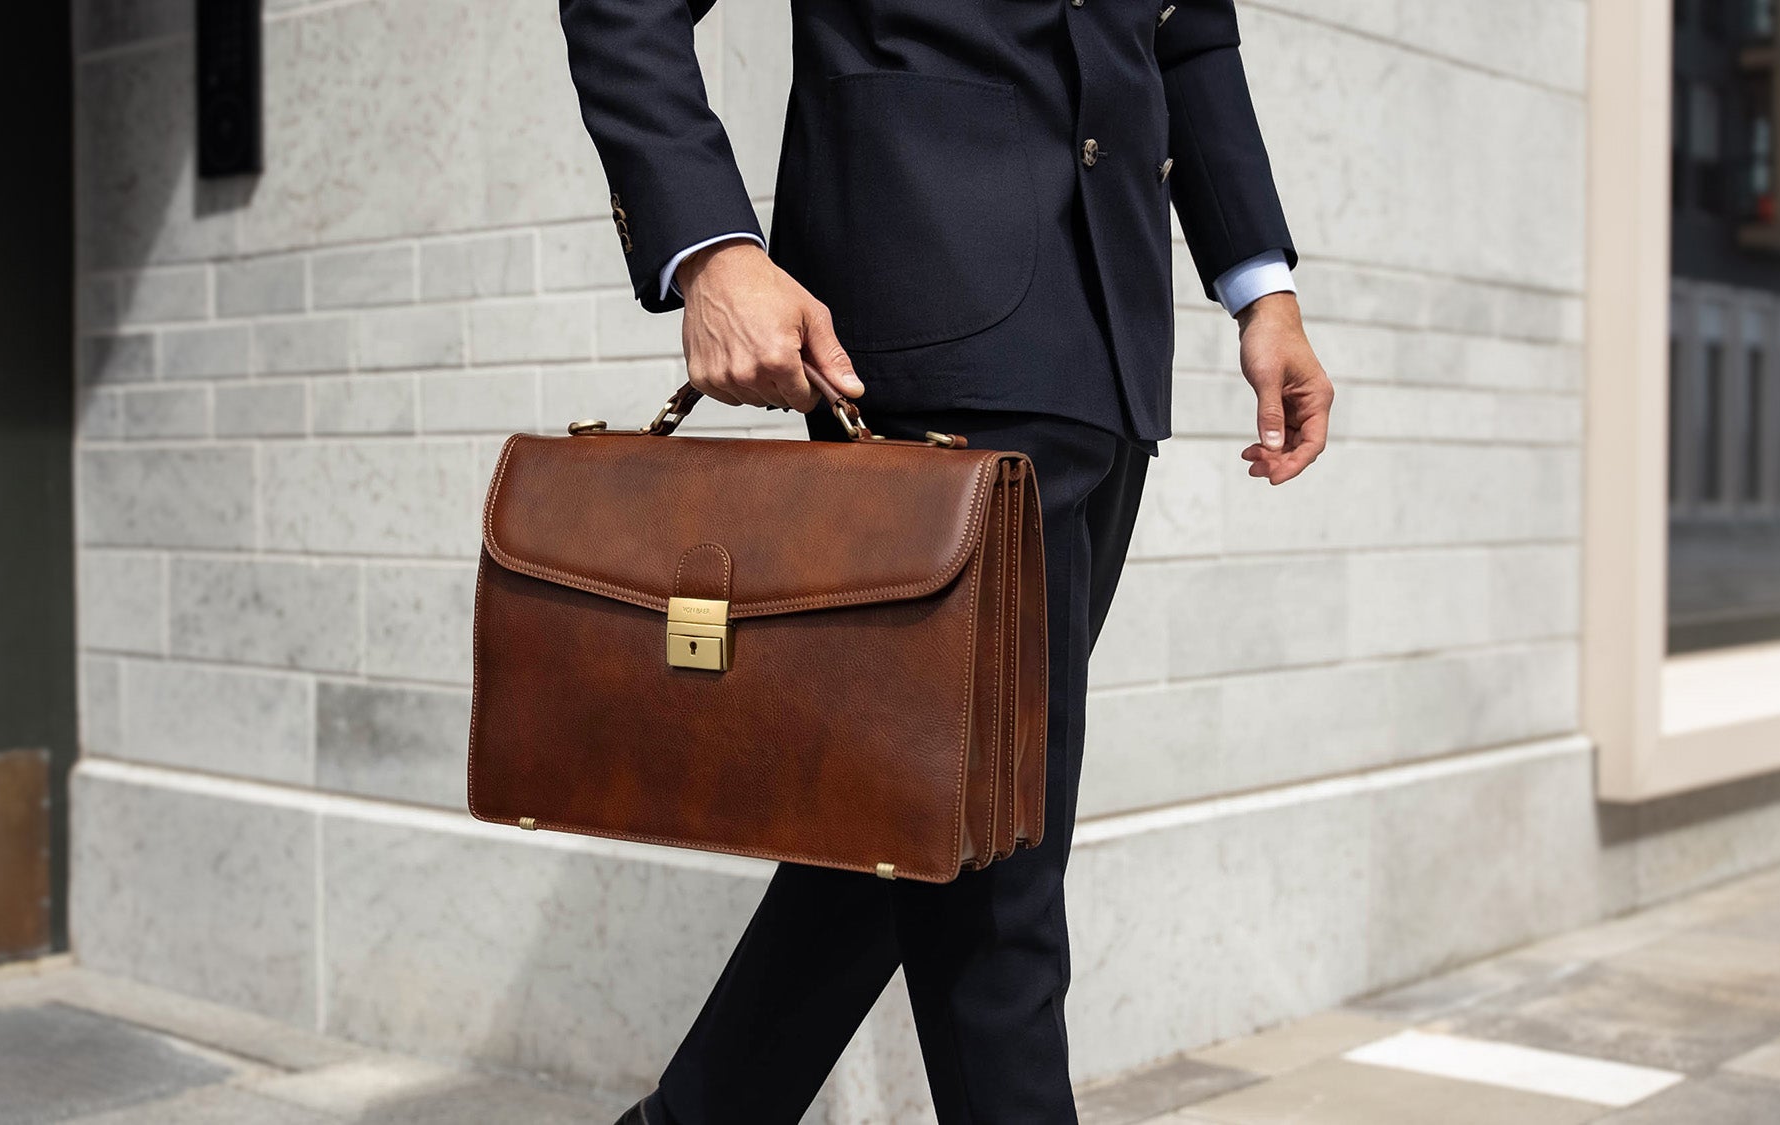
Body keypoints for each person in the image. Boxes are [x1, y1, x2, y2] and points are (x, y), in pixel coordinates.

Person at [557, 1, 1333, 1121]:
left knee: (916, 813)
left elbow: (1185, 29)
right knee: (997, 870)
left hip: (1110, 346)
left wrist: (1261, 286)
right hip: (926, 322)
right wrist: (713, 249)